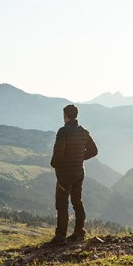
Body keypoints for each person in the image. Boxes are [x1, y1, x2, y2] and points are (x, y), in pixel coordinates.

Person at [47, 104, 98, 245]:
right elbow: (94, 151)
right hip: (79, 172)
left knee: (62, 204)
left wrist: (55, 164)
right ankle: (79, 232)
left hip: (65, 174)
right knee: (77, 202)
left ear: (66, 115)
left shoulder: (63, 132)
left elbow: (58, 153)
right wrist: (80, 157)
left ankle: (60, 236)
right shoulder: (84, 132)